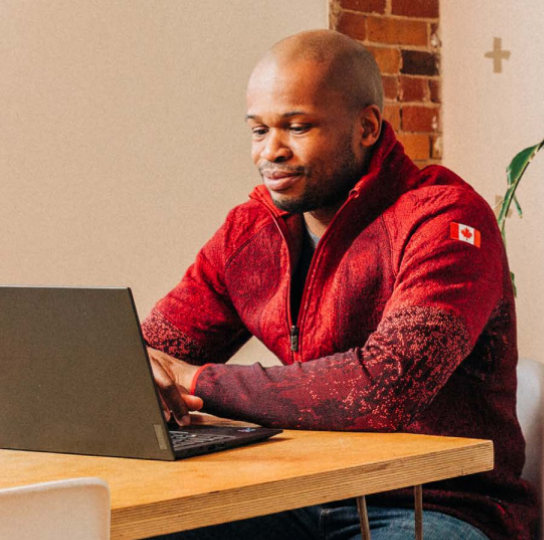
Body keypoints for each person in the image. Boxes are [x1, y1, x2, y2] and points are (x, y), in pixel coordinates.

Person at [142, 30, 537, 540]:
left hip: (439, 503)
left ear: (367, 126)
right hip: (295, 492)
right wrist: (144, 370)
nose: (272, 151)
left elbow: (385, 387)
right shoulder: (250, 232)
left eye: (297, 127)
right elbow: (151, 357)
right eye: (258, 131)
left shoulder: (446, 220)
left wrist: (196, 381)